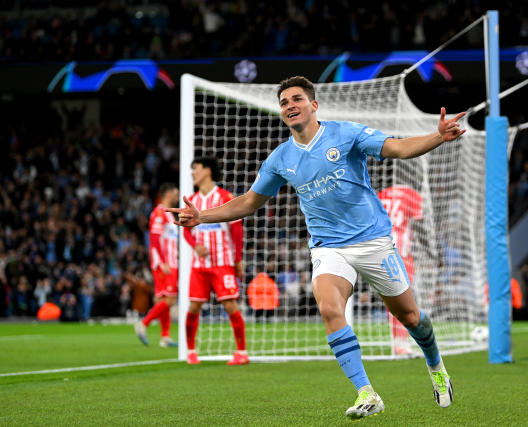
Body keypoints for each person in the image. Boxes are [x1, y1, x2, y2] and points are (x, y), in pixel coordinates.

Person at [168, 76, 465, 419]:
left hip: (373, 241)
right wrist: (200, 216)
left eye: (296, 99)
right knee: (328, 308)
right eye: (284, 102)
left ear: (314, 105)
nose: (290, 106)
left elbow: (397, 148)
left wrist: (437, 136)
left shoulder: (346, 133)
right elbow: (249, 202)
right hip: (328, 247)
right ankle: (366, 392)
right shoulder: (281, 158)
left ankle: (436, 364)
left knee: (411, 318)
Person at [182, 157, 248, 366]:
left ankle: (241, 352)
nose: (193, 173)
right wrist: (195, 245)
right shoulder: (192, 201)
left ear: (207, 171)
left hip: (223, 262)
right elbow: (185, 231)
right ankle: (191, 351)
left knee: (229, 304)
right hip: (199, 266)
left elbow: (236, 231)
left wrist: (238, 260)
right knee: (193, 306)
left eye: (196, 169)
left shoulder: (225, 197)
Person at [377, 184, 422, 355]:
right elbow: (419, 224)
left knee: (393, 298)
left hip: (381, 249)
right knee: (404, 298)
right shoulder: (411, 194)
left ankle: (400, 340)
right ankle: (400, 342)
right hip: (401, 253)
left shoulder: (382, 194)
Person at [135, 183, 180, 348]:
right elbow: (154, 238)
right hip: (165, 263)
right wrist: (162, 261)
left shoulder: (168, 214)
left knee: (163, 299)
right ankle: (143, 323)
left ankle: (165, 336)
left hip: (170, 261)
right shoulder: (159, 212)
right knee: (170, 299)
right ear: (167, 194)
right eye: (176, 193)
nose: (178, 196)